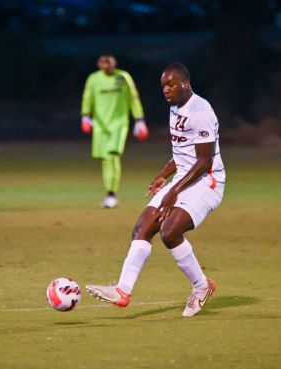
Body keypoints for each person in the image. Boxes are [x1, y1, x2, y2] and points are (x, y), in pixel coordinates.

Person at [86, 63, 226, 317]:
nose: (166, 90)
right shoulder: (174, 108)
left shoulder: (201, 110)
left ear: (185, 83)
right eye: (163, 85)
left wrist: (174, 191)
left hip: (208, 181)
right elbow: (182, 153)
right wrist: (164, 175)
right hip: (185, 178)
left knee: (170, 231)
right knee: (142, 227)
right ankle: (122, 290)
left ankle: (201, 286)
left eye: (171, 84)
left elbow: (204, 162)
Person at [81, 53, 149, 209]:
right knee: (105, 159)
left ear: (114, 64)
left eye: (110, 63)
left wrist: (139, 119)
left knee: (112, 156)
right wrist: (85, 115)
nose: (107, 66)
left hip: (118, 123)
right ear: (99, 65)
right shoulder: (94, 79)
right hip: (100, 125)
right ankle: (109, 193)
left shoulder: (121, 77)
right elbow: (87, 97)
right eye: (104, 64)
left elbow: (133, 98)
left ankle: (112, 194)